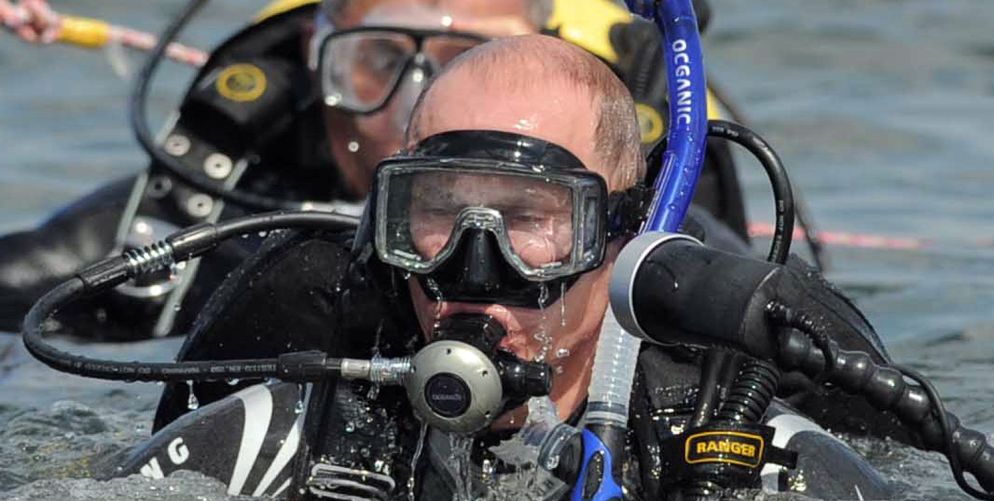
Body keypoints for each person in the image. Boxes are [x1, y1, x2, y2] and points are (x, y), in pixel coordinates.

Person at [117, 36, 893, 501]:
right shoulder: (290, 436)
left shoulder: (737, 448)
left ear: (621, 237)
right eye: (437, 213)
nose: (474, 267)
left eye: (532, 219)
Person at [0, 0, 748, 340]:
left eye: (469, 62)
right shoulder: (216, 209)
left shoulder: (643, 231)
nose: (421, 106)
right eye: (380, 63)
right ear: (312, 53)